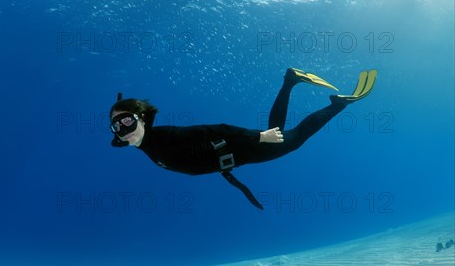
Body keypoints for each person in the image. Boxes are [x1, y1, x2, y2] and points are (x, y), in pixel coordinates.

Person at [109, 67, 377, 209]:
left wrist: (258, 137)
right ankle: (292, 81)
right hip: (235, 156)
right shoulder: (140, 141)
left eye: (128, 121)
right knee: (283, 135)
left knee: (291, 140)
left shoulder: (164, 136)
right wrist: (122, 135)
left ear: (142, 119)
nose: (123, 128)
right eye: (117, 127)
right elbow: (122, 139)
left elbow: (216, 128)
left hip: (239, 148)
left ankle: (335, 103)